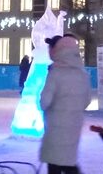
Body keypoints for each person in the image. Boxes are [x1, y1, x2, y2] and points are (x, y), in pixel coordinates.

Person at [40, 34, 92, 174]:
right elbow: (87, 100)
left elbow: (44, 102)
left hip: (56, 128)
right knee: (68, 162)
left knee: (56, 163)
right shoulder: (82, 73)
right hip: (74, 126)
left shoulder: (56, 73)